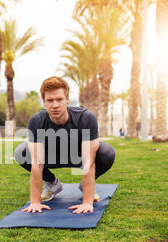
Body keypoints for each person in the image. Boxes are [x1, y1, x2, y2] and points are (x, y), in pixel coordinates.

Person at [14, 76, 115, 214]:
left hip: (78, 156)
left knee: (107, 152)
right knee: (22, 152)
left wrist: (86, 202)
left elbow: (88, 162)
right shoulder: (37, 121)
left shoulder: (85, 118)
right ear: (43, 102)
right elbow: (37, 164)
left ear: (67, 99)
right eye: (50, 100)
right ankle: (52, 184)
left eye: (59, 99)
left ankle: (85, 186)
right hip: (52, 156)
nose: (55, 105)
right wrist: (35, 202)